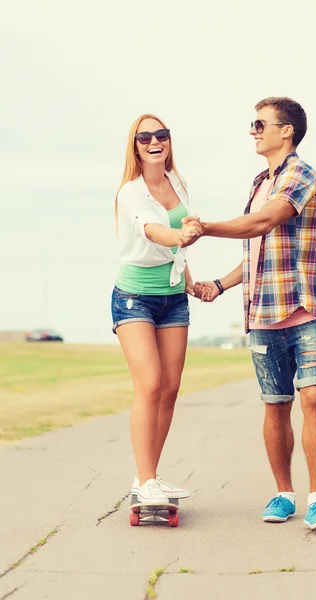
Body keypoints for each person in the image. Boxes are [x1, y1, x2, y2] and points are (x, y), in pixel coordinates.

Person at [188, 97, 316, 533]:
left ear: (286, 130)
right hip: (263, 314)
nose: (253, 131)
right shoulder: (258, 182)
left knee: (313, 397)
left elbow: (262, 224)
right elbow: (256, 250)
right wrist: (219, 284)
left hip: (307, 309)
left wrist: (205, 227)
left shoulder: (300, 176)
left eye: (260, 123)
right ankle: (284, 493)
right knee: (276, 405)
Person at [112, 113, 201, 508]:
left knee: (169, 389)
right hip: (134, 296)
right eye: (144, 136)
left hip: (173, 297)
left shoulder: (177, 182)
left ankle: (147, 477)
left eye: (160, 135)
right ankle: (147, 479)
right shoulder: (130, 192)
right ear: (135, 146)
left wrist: (189, 279)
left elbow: (174, 246)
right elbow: (153, 230)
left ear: (168, 141)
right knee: (148, 384)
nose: (154, 141)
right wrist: (180, 235)